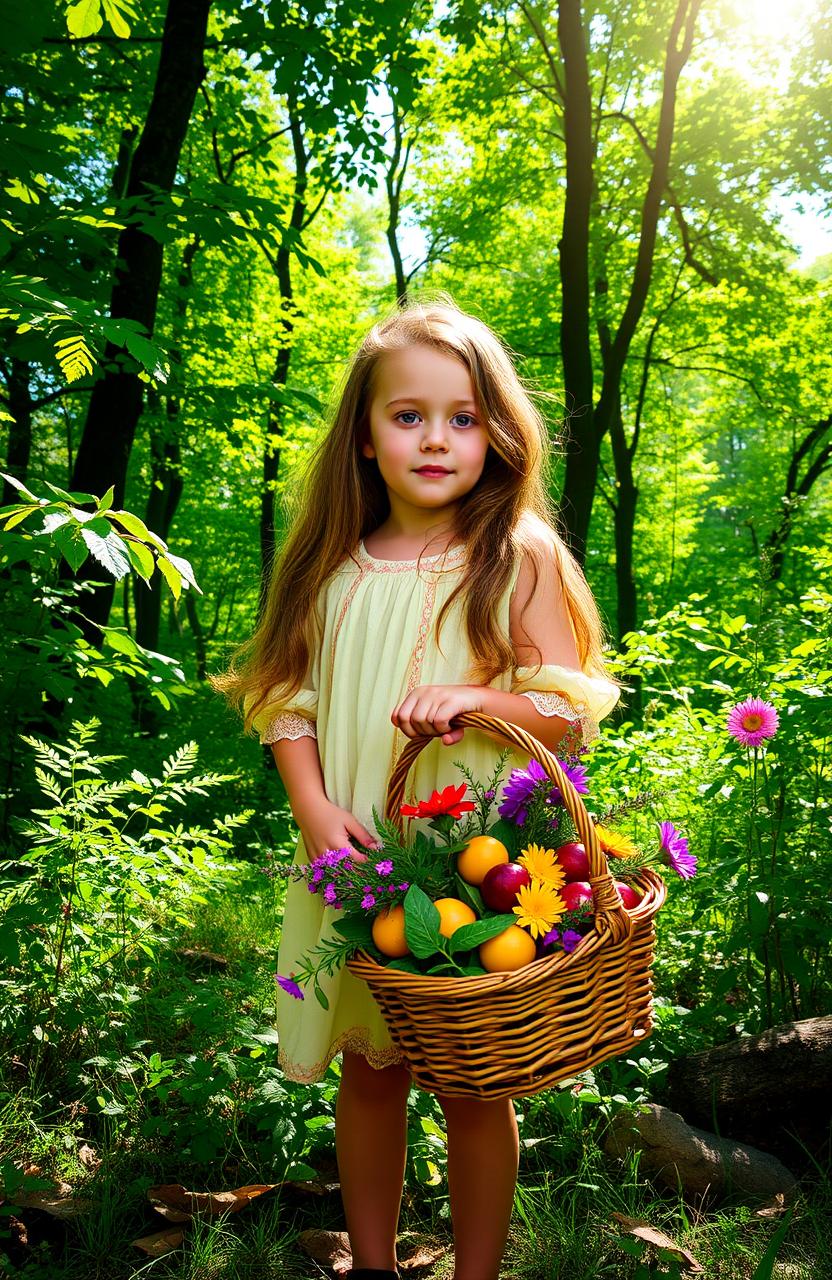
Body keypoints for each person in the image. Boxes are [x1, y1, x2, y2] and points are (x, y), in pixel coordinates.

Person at [219, 300, 620, 1280]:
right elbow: (286, 700)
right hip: (359, 851)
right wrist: (314, 810)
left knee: (476, 1080)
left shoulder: (513, 554)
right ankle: (374, 1262)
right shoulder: (328, 564)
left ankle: (476, 1270)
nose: (435, 438)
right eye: (408, 415)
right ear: (363, 434)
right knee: (369, 1064)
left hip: (467, 858)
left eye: (463, 416)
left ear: (498, 431)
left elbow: (565, 708)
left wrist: (483, 696)